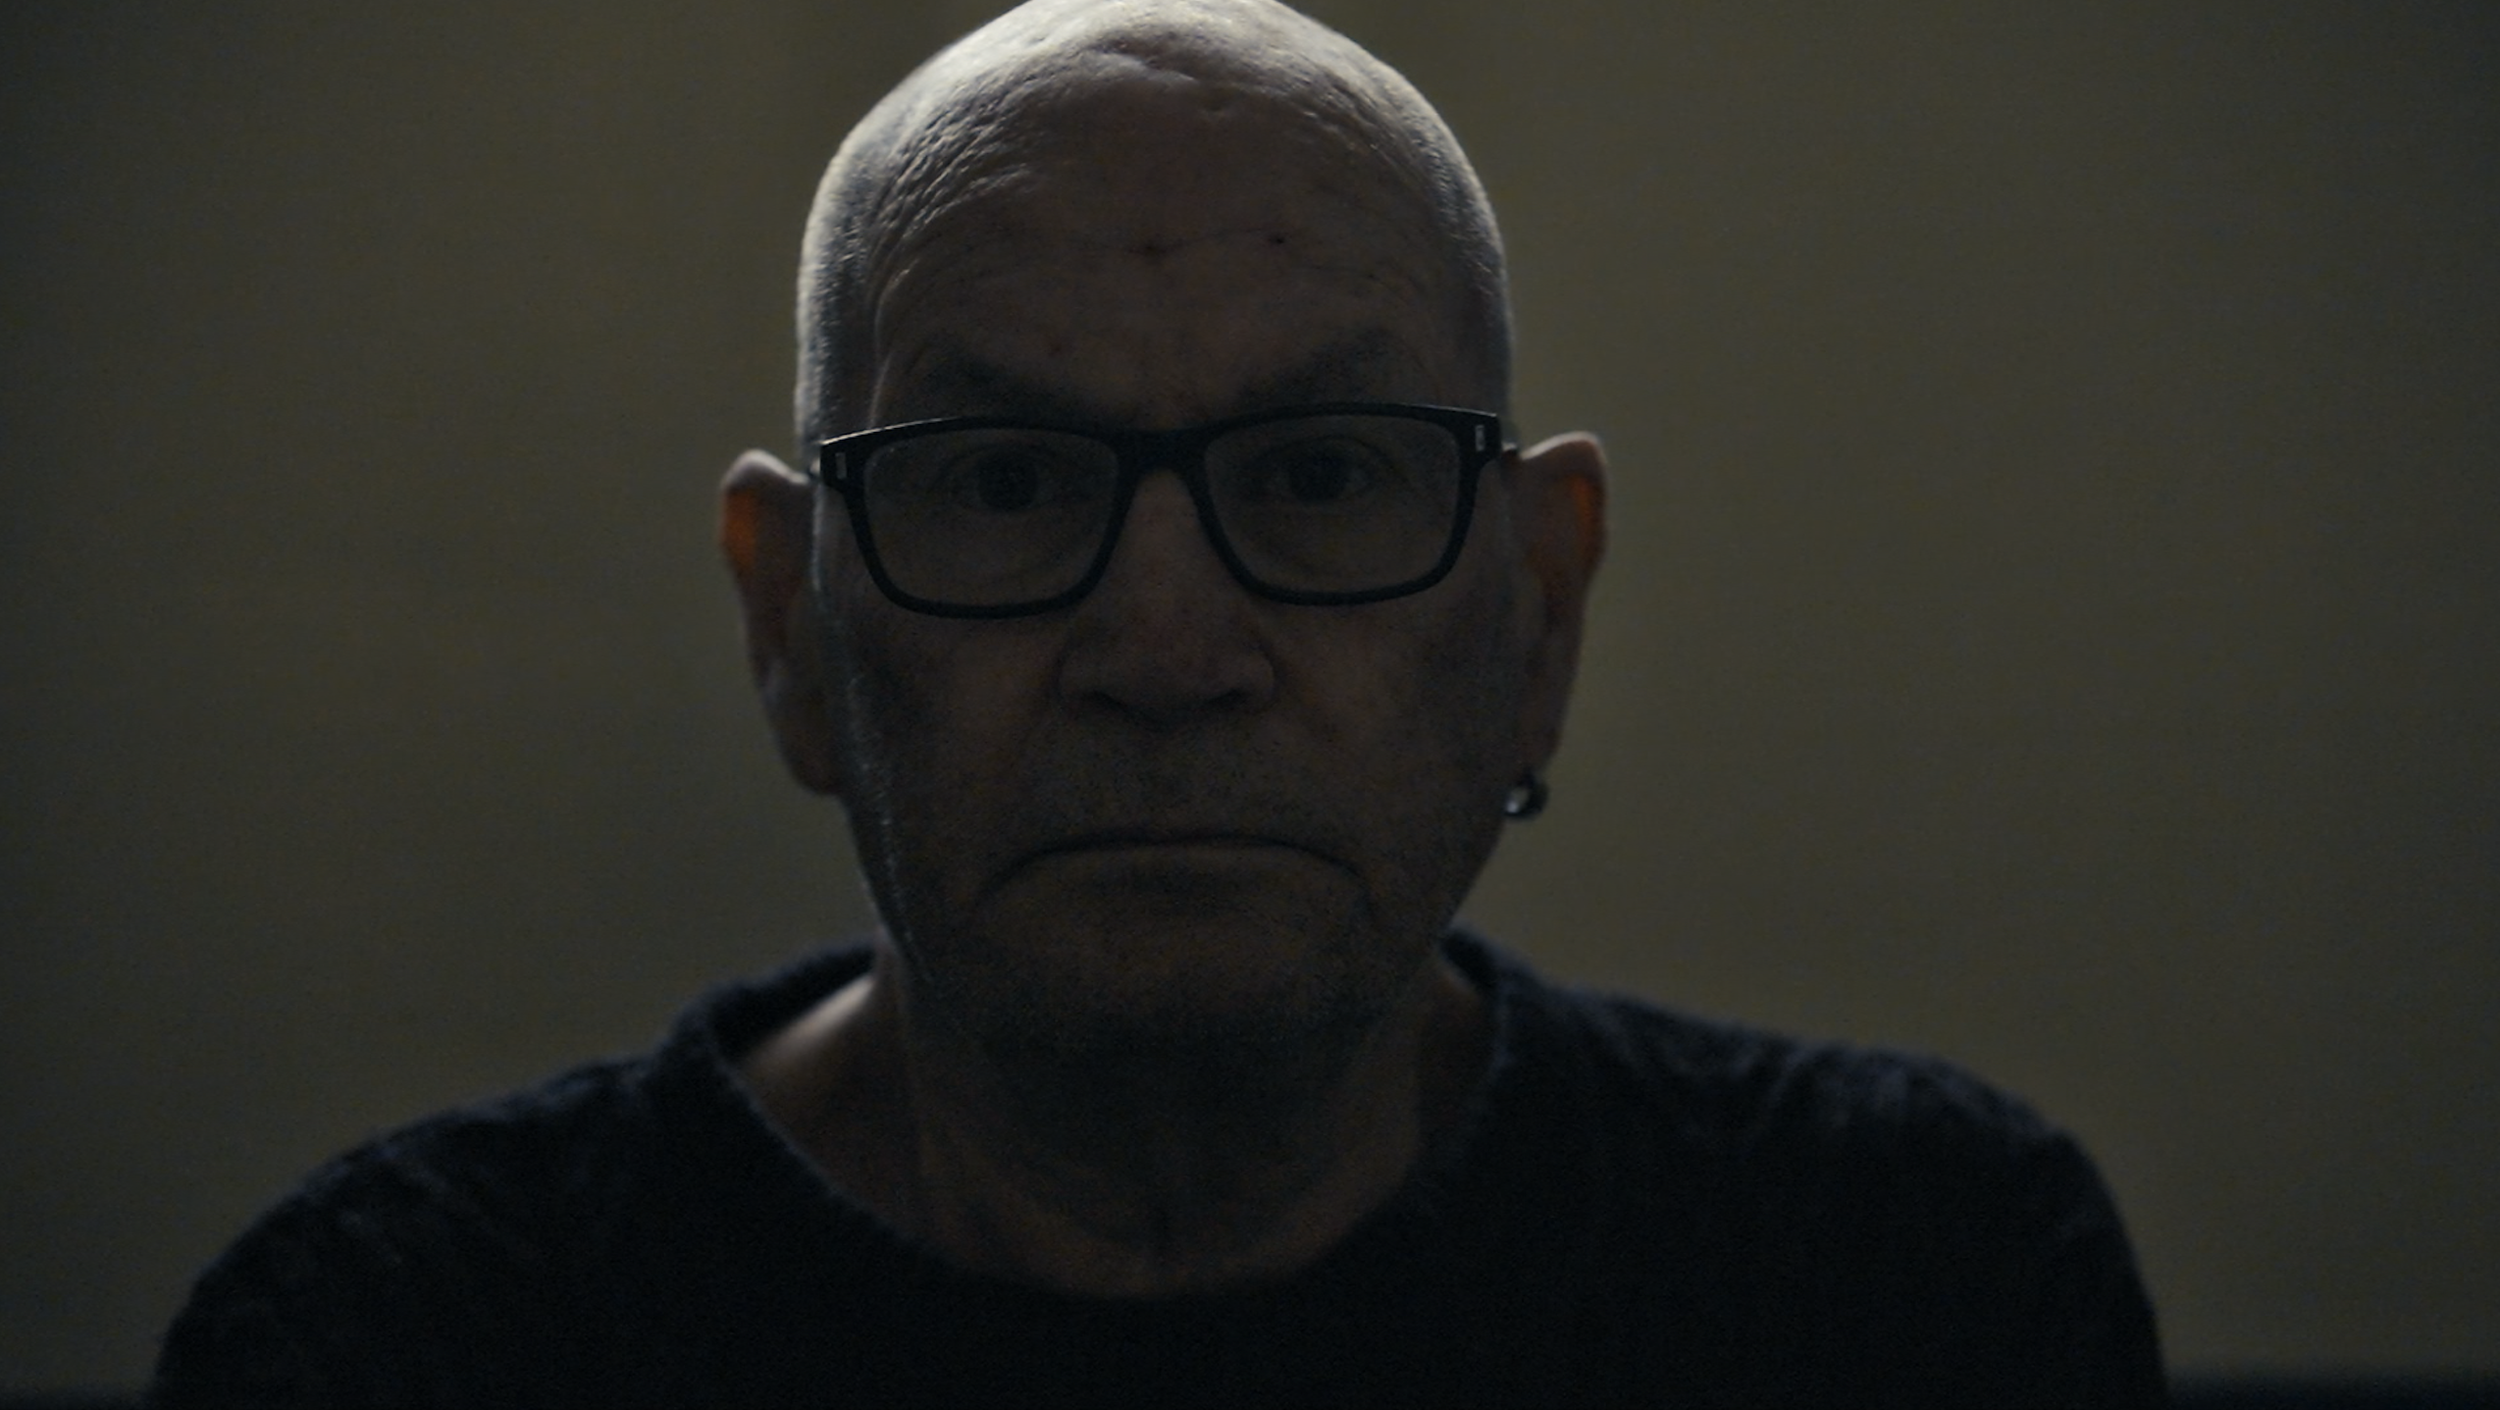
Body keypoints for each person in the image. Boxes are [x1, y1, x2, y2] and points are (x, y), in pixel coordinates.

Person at [152, 0, 2166, 1404]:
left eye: (1321, 474)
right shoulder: (397, 1345)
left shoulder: (1906, 1287)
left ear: (1536, 616)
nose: (1167, 650)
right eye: (1003, 485)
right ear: (792, 631)